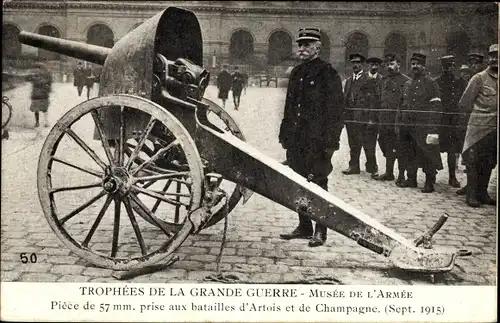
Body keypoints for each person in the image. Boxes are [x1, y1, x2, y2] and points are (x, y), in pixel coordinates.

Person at [278, 27, 344, 247]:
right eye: (300, 44)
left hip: (317, 142)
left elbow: (336, 113)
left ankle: (321, 230)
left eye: (307, 44)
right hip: (297, 140)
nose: (302, 48)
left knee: (318, 184)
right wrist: (285, 135)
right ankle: (304, 226)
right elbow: (289, 107)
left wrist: (330, 144)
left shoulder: (327, 73)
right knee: (297, 183)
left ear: (318, 47)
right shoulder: (297, 73)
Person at [397, 52, 443, 193]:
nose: (415, 66)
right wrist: (400, 122)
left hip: (424, 126)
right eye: (412, 64)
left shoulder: (431, 83)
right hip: (408, 125)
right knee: (409, 153)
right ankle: (411, 179)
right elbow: (402, 104)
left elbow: (436, 106)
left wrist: (433, 128)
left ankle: (429, 182)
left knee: (427, 154)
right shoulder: (407, 84)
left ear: (424, 66)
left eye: (418, 64)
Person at [458, 44, 497, 207]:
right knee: (473, 162)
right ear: (488, 58)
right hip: (478, 129)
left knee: (489, 162)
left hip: (495, 129)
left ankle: (483, 193)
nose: (495, 59)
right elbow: (464, 103)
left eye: (498, 56)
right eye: (493, 56)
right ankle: (471, 194)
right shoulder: (479, 78)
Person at [374, 53, 410, 185]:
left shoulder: (405, 80)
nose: (389, 67)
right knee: (386, 144)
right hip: (385, 119)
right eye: (388, 64)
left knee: (399, 147)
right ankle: (389, 172)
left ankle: (401, 175)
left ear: (399, 65)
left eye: (392, 64)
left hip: (398, 120)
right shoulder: (384, 80)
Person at [342, 53, 379, 177]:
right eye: (353, 63)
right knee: (353, 143)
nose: (355, 65)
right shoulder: (348, 81)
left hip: (364, 118)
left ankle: (372, 168)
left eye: (358, 63)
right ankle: (354, 166)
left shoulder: (369, 80)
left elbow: (373, 101)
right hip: (351, 118)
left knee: (368, 144)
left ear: (362, 65)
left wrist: (371, 118)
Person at [435, 55, 467, 188]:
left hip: (454, 120)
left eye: (450, 66)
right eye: (445, 66)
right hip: (440, 120)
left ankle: (452, 177)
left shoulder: (460, 83)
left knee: (452, 150)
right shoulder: (436, 82)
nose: (447, 69)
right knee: (433, 147)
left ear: (454, 66)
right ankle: (431, 175)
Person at [29, 62, 52, 128]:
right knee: (41, 109)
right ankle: (42, 122)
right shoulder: (38, 75)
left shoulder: (39, 75)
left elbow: (48, 82)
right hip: (39, 94)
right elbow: (47, 82)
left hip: (40, 94)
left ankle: (41, 122)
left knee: (41, 109)